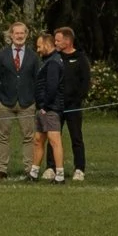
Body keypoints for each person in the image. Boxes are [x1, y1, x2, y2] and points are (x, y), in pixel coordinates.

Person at [0, 22, 41, 180]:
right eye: (16, 33)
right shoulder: (1, 55)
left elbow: (38, 80)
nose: (19, 36)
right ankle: (2, 170)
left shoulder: (33, 56)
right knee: (3, 136)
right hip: (5, 102)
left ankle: (29, 169)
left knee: (29, 137)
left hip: (27, 102)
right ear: (11, 35)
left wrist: (35, 99)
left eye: (22, 33)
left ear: (26, 35)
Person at [45, 26, 93, 180]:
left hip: (73, 106)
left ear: (67, 41)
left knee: (76, 137)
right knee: (53, 137)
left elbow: (85, 82)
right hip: (55, 105)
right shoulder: (54, 57)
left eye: (58, 40)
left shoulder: (80, 58)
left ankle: (79, 168)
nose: (56, 43)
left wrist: (77, 99)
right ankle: (51, 167)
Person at [32, 28, 68, 182]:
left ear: (47, 44)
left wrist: (46, 107)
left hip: (51, 109)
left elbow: (52, 87)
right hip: (43, 108)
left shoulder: (53, 62)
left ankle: (59, 175)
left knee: (54, 140)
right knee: (38, 140)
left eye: (40, 46)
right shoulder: (47, 61)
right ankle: (33, 173)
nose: (38, 49)